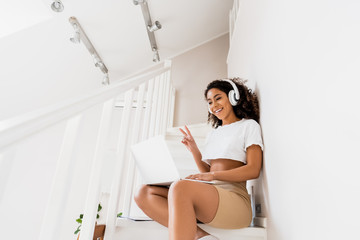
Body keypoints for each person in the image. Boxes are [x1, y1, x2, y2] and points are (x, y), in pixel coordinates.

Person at [134, 78, 263, 240]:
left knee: (180, 187)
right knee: (143, 192)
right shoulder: (213, 133)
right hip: (212, 195)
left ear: (233, 97)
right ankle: (200, 235)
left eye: (218, 98)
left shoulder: (249, 126)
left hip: (235, 202)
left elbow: (253, 169)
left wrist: (213, 176)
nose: (214, 106)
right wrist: (194, 150)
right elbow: (208, 172)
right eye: (209, 102)